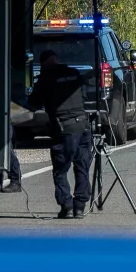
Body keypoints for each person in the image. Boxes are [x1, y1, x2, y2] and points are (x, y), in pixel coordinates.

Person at [27, 49, 92, 218]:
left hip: (64, 128)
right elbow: (84, 95)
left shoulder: (45, 78)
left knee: (61, 170)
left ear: (43, 64)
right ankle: (80, 207)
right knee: (82, 167)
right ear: (57, 59)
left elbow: (33, 103)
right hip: (83, 125)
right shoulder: (74, 73)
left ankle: (67, 206)